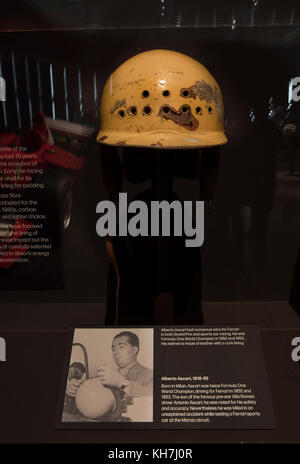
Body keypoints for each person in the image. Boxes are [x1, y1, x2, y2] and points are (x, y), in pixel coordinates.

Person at [97, 331, 153, 398]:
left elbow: (152, 397)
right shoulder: (109, 375)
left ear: (134, 349)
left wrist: (122, 382)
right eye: (113, 349)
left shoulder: (150, 375)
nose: (115, 352)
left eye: (121, 347)